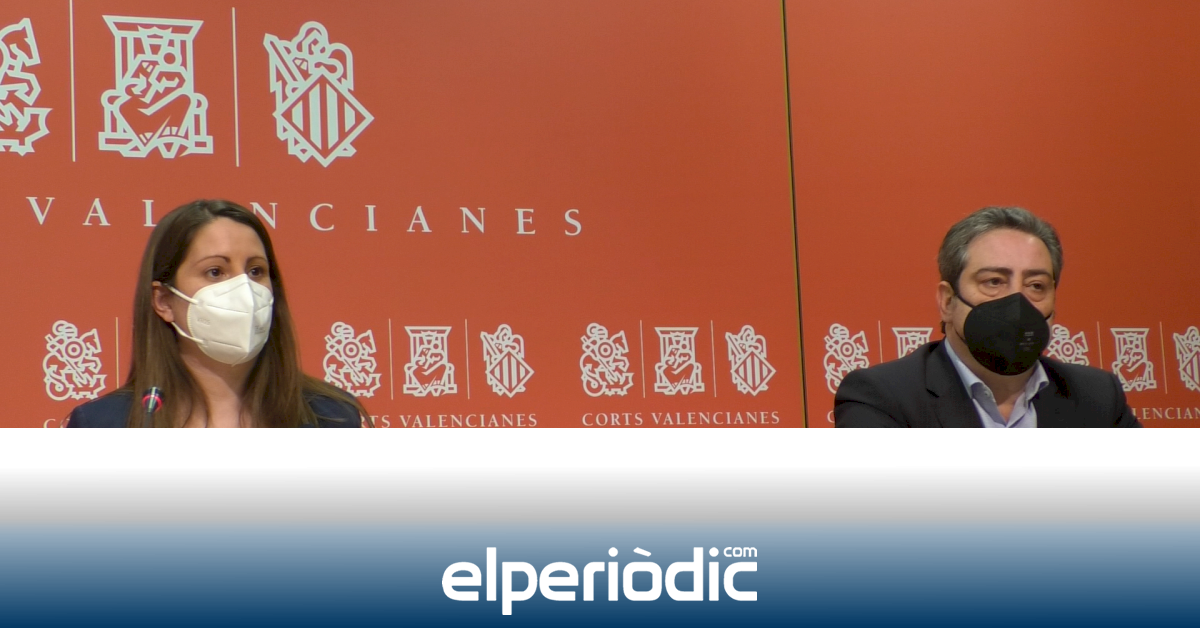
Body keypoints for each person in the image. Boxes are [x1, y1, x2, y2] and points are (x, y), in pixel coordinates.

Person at [68, 200, 365, 428]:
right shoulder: (104, 425)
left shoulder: (332, 417)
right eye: (215, 272)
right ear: (164, 301)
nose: (244, 289)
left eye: (256, 271)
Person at [835, 206, 1140, 428]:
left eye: (1036, 286)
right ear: (948, 301)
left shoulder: (1096, 396)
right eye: (994, 282)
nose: (1017, 301)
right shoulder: (883, 397)